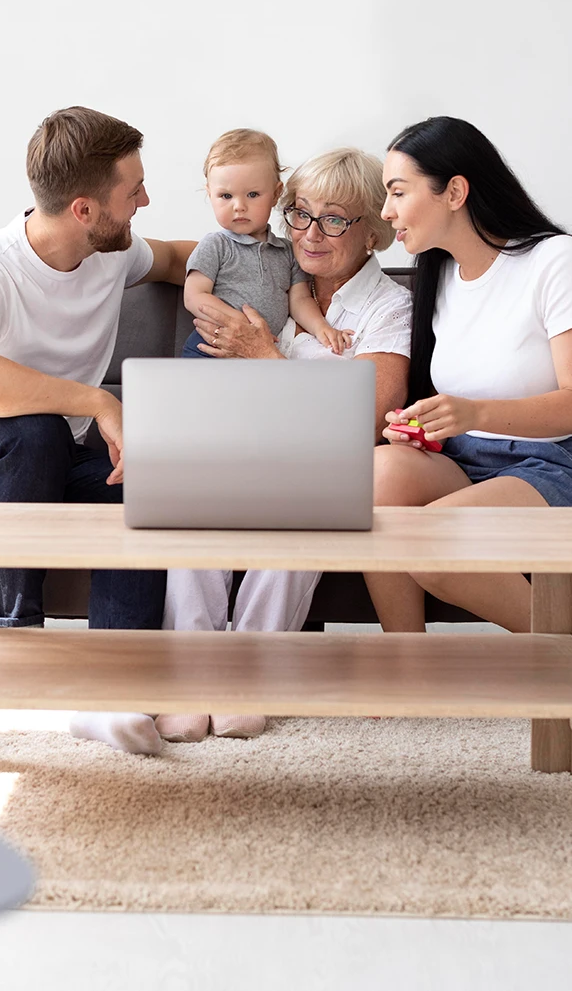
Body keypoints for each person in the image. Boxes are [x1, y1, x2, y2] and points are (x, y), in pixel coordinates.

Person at [0, 107, 196, 756]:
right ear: (84, 208)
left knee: (138, 489)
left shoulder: (110, 251)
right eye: (133, 190)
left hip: (51, 466)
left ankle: (113, 689)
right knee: (35, 429)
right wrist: (94, 400)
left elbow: (178, 257)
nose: (146, 200)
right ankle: (13, 646)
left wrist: (291, 265)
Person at [158, 147, 412, 743]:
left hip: (322, 466)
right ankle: (190, 677)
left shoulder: (389, 308)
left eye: (334, 219)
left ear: (373, 232)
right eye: (299, 213)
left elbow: (366, 418)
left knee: (312, 504)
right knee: (189, 492)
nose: (310, 232)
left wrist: (267, 358)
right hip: (243, 451)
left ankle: (250, 676)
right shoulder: (267, 283)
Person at [364, 116, 572, 634]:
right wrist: (421, 427)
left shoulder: (556, 260)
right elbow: (459, 411)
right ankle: (406, 665)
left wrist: (473, 412)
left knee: (427, 538)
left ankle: (571, 648)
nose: (387, 212)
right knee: (375, 474)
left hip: (555, 465)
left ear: (454, 191)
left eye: (397, 192)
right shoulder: (440, 276)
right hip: (464, 461)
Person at [180, 129, 349, 358]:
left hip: (262, 351)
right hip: (213, 345)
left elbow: (299, 300)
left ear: (276, 194)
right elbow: (194, 296)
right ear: (210, 194)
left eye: (252, 194)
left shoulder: (287, 251)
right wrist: (238, 324)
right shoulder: (216, 245)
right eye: (226, 196)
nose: (239, 206)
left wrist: (322, 328)